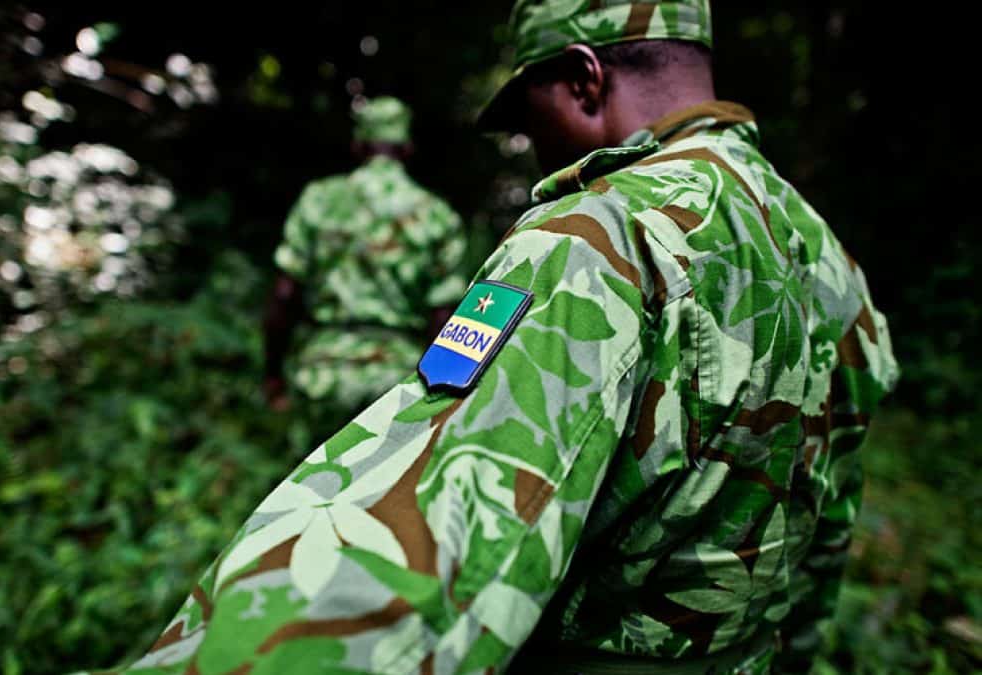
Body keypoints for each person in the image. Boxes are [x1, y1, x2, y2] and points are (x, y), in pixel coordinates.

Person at [89, 1, 898, 673]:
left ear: (585, 78)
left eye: (529, 110)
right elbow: (824, 535)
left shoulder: (598, 237)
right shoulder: (825, 251)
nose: (527, 140)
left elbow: (440, 558)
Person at [262, 96, 467, 447]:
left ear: (358, 145)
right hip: (397, 382)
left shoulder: (319, 200)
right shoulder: (436, 214)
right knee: (385, 499)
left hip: (322, 374)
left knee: (311, 492)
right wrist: (438, 401)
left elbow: (284, 295)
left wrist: (273, 374)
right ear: (407, 148)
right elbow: (444, 317)